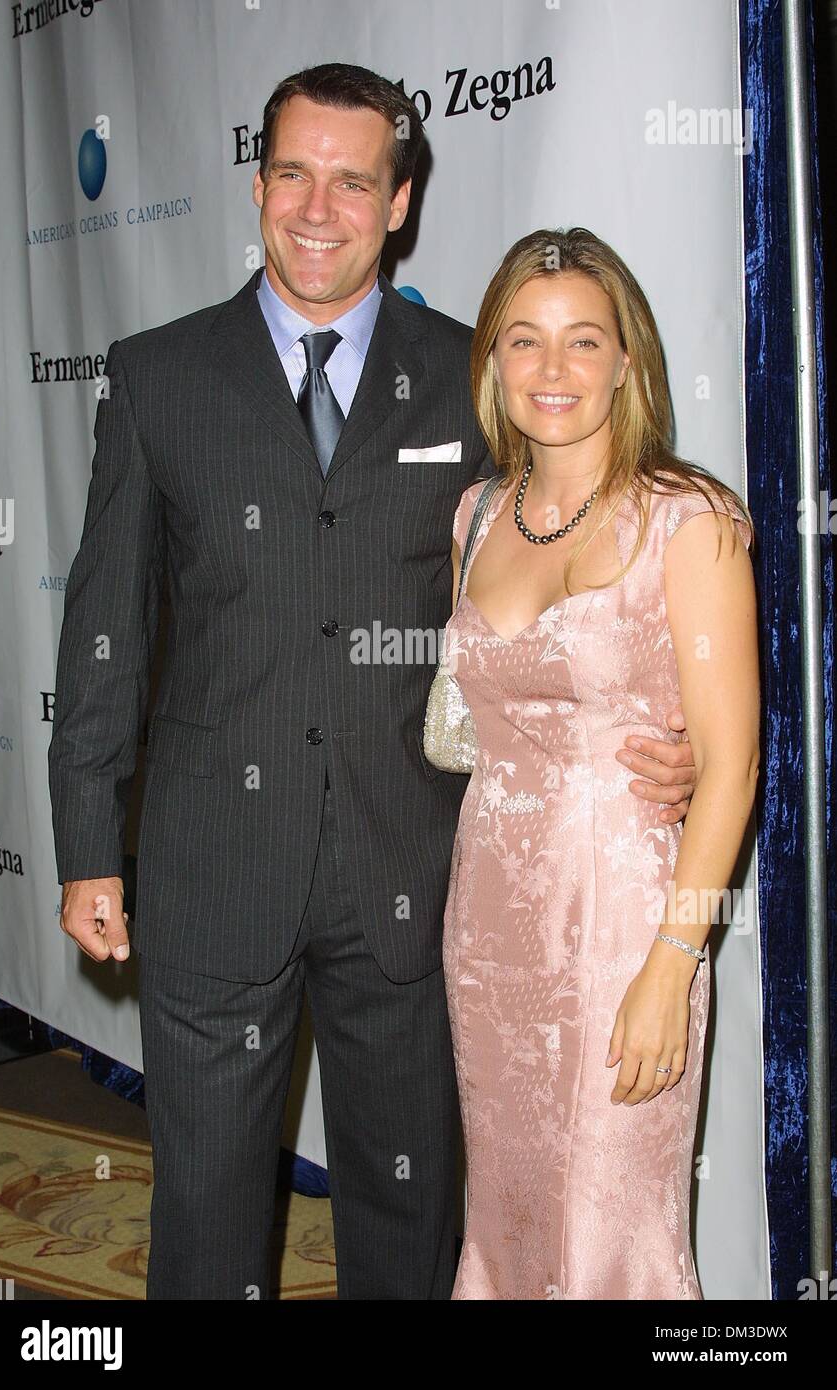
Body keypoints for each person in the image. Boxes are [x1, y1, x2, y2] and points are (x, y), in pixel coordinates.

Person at [49, 65, 701, 1300]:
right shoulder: (158, 376)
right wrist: (88, 838)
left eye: (353, 181)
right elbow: (106, 631)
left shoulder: (476, 376)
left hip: (417, 872)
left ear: (397, 202)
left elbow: (611, 548)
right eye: (293, 172)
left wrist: (675, 738)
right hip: (212, 864)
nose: (317, 206)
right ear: (257, 184)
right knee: (203, 1223)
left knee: (407, 1225)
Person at [442, 226, 759, 1300]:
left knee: (611, 1232)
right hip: (486, 928)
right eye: (522, 342)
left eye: (583, 342)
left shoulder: (690, 520)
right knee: (511, 1214)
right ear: (491, 360)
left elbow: (728, 767)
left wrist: (674, 960)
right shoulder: (474, 514)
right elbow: (472, 725)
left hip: (625, 926)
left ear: (628, 360)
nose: (551, 370)